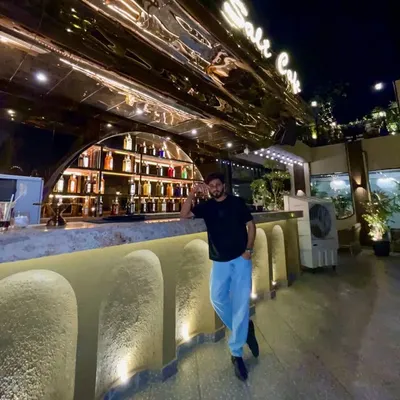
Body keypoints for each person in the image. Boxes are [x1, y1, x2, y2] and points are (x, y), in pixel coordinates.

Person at [180, 172, 259, 381]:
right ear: (208, 188)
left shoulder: (236, 203)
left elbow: (251, 225)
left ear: (223, 185)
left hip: (241, 258)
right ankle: (245, 329)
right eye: (211, 186)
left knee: (241, 303)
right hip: (219, 260)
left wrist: (248, 250)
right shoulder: (206, 207)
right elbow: (184, 214)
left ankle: (236, 353)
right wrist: (192, 193)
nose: (215, 188)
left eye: (217, 184)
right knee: (217, 298)